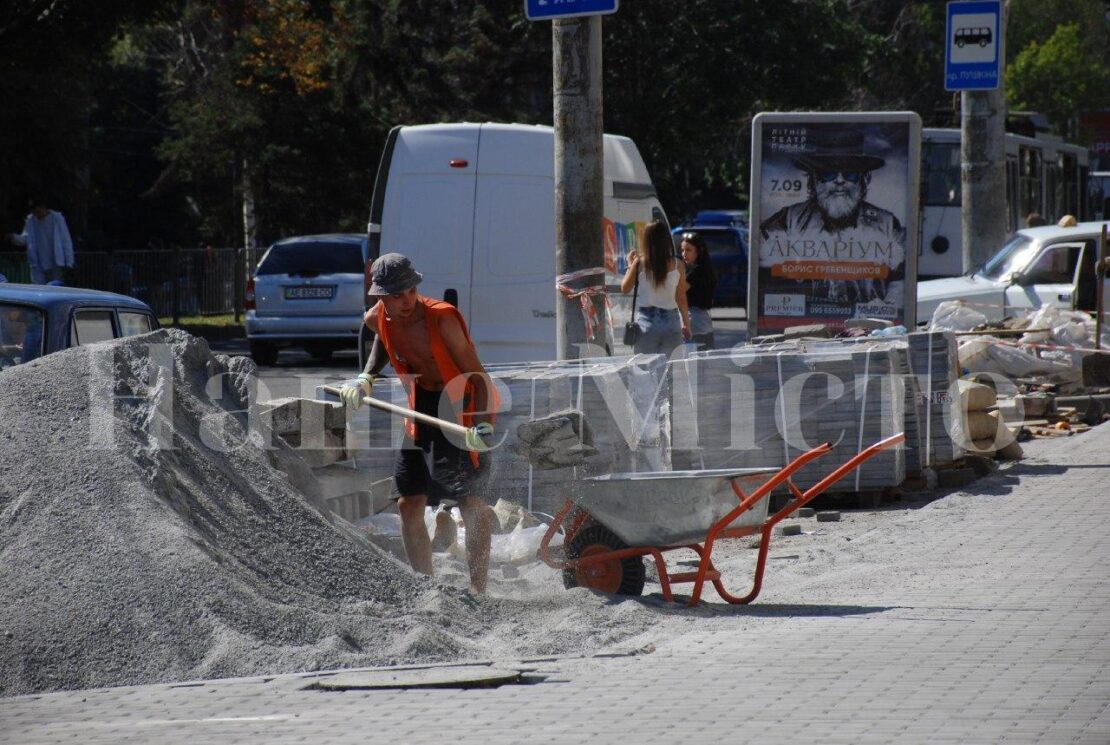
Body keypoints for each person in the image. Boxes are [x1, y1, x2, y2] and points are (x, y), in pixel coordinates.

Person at [339, 253, 498, 593]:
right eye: (397, 295)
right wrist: (366, 377)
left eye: (411, 290)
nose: (407, 300)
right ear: (380, 297)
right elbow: (383, 334)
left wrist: (482, 425)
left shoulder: (442, 320)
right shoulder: (375, 317)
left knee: (471, 502)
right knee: (408, 502)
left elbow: (479, 376)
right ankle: (427, 590)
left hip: (460, 403)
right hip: (420, 405)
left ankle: (480, 591)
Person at [759, 129, 905, 307]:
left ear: (864, 179)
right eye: (828, 173)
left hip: (867, 327)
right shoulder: (787, 220)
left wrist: (888, 306)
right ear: (814, 180)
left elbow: (900, 279)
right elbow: (765, 270)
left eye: (850, 173)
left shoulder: (887, 223)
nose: (839, 180)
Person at [621, 219, 691, 355]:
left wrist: (630, 265)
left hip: (647, 323)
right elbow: (681, 298)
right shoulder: (678, 265)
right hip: (672, 323)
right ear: (666, 240)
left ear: (646, 240)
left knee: (645, 370)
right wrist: (686, 324)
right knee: (668, 371)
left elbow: (625, 288)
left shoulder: (639, 263)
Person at [6, 197, 74, 284]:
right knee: (38, 287)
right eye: (34, 213)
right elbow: (25, 239)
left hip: (55, 262)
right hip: (38, 262)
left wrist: (69, 262)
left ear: (43, 207)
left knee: (56, 287)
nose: (36, 215)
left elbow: (66, 240)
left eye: (38, 212)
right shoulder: (31, 220)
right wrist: (14, 237)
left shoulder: (57, 218)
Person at [679, 231, 718, 350]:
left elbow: (679, 292)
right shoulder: (706, 268)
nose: (684, 254)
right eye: (682, 250)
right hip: (705, 323)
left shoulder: (695, 271)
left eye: (688, 250)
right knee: (703, 365)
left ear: (699, 251)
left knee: (693, 366)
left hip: (693, 323)